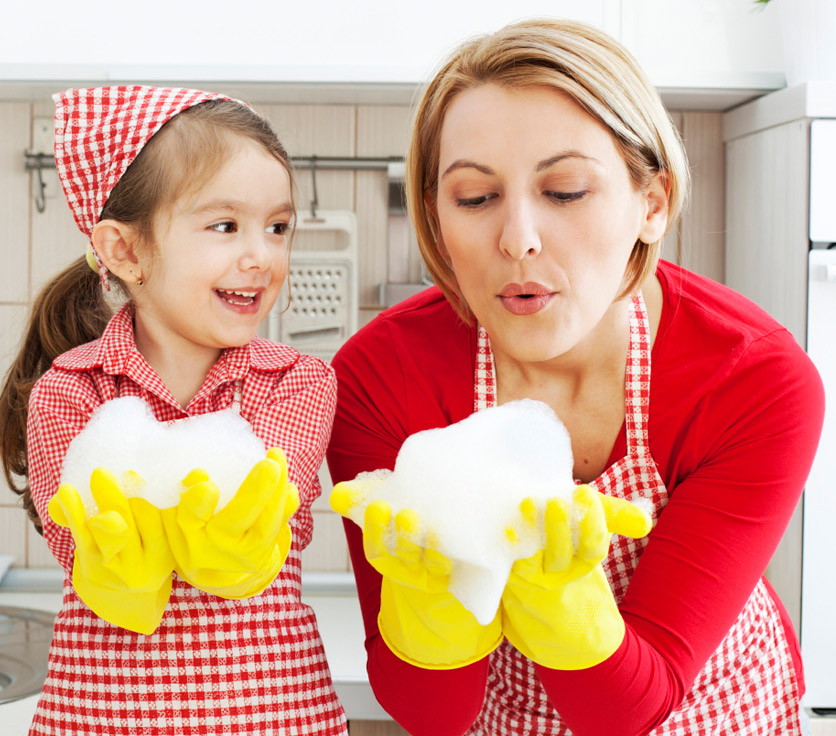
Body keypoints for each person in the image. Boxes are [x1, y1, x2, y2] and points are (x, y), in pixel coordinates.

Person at [325, 18, 824, 736]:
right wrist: (428, 612)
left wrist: (561, 604)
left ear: (651, 203)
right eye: (473, 198)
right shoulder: (381, 379)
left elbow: (635, 705)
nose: (518, 238)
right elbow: (433, 714)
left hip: (711, 712)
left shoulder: (753, 381)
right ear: (435, 219)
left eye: (564, 191)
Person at [0, 86, 347, 735]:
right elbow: (80, 548)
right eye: (225, 226)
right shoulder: (70, 393)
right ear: (126, 251)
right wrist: (120, 575)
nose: (262, 255)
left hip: (272, 717)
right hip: (101, 718)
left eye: (277, 227)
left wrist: (235, 547)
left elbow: (273, 517)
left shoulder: (297, 383)